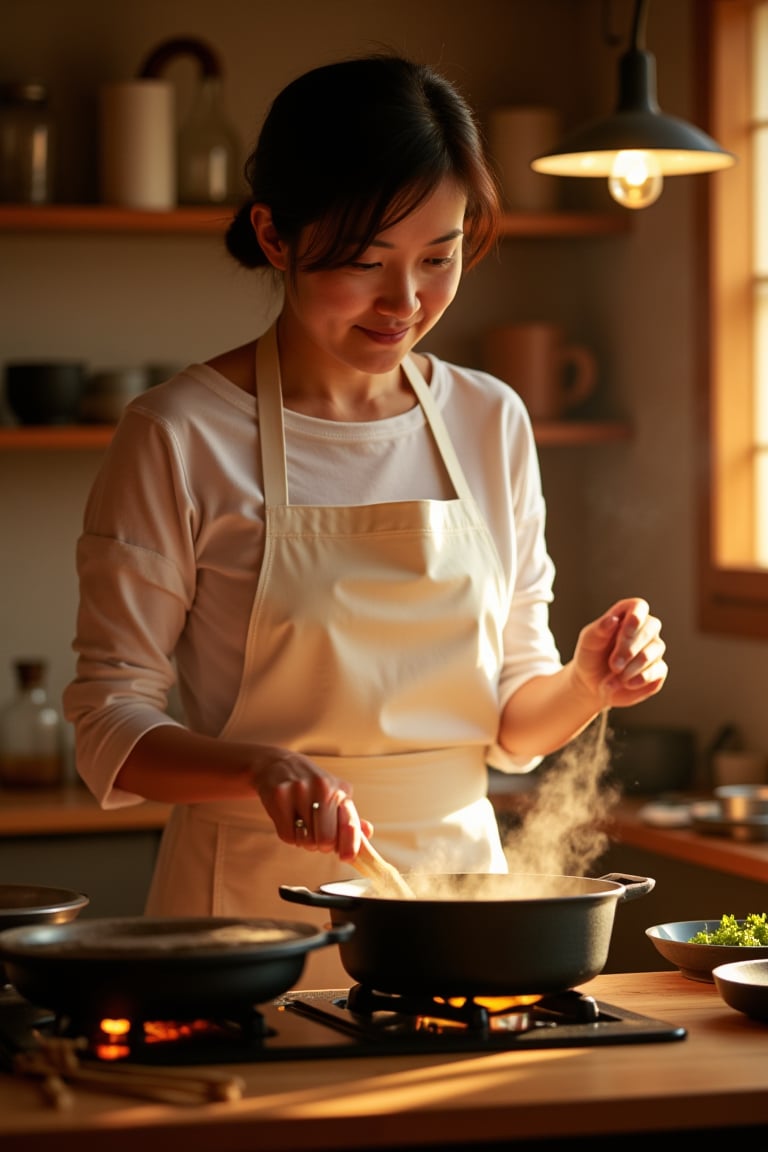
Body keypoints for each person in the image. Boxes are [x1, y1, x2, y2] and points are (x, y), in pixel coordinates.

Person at [63, 52, 667, 987]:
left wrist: (586, 683)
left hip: (456, 896)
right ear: (274, 235)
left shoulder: (488, 420)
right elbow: (108, 726)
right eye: (365, 262)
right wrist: (259, 770)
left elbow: (511, 724)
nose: (406, 302)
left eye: (440, 256)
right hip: (247, 916)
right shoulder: (178, 435)